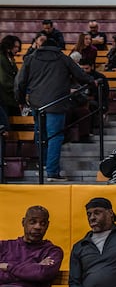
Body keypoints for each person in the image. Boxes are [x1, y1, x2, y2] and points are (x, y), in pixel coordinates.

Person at [15, 37, 94, 182]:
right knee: (55, 136)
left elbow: (20, 82)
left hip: (37, 104)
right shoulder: (63, 58)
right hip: (57, 103)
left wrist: (21, 101)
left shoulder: (30, 59)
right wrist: (92, 82)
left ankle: (44, 164)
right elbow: (81, 75)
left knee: (40, 134)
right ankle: (52, 172)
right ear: (57, 47)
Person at [1, 35, 22, 117]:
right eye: (15, 47)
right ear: (8, 46)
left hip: (10, 98)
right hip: (4, 99)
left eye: (18, 47)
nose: (17, 49)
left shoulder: (11, 59)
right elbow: (4, 81)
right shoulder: (2, 59)